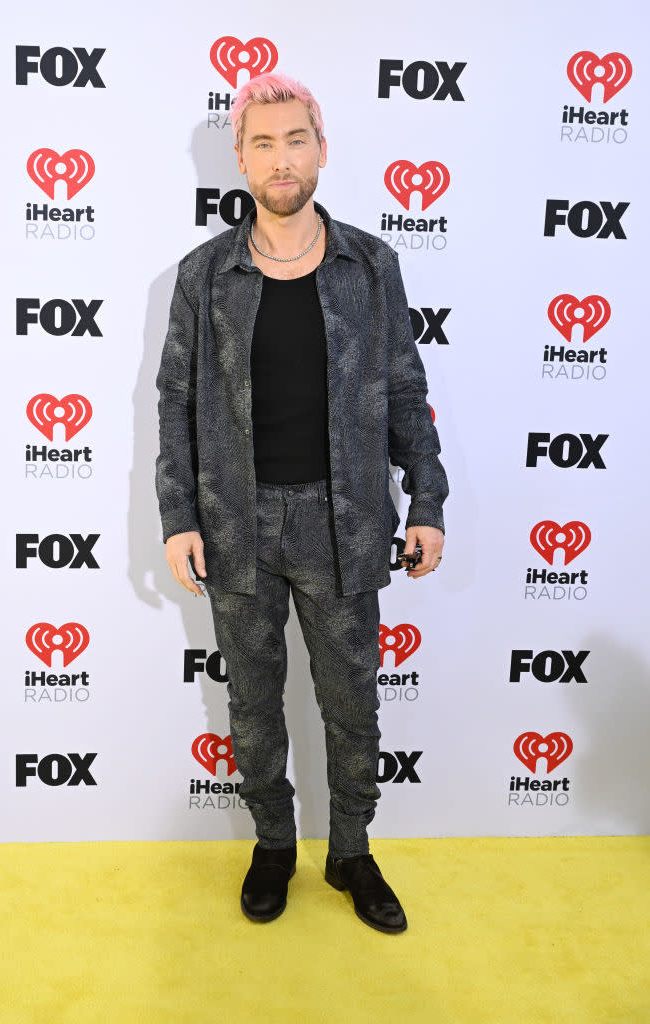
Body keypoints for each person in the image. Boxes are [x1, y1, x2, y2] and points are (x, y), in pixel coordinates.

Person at [155, 72, 448, 934]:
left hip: (346, 520)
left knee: (352, 700)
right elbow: (174, 401)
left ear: (320, 149)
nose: (280, 159)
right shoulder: (204, 275)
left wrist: (425, 502)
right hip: (235, 521)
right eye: (262, 143)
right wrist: (179, 517)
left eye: (295, 140)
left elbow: (403, 390)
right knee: (252, 703)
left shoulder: (370, 264)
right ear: (239, 158)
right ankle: (274, 845)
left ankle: (351, 851)